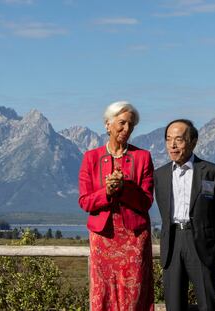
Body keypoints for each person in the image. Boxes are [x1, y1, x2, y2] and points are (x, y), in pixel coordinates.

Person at [78, 101, 154, 311]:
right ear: (108, 125)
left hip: (134, 237)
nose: (126, 129)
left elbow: (146, 201)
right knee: (104, 293)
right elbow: (85, 201)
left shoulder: (143, 157)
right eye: (122, 123)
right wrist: (107, 193)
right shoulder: (91, 158)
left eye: (131, 125)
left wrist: (124, 188)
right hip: (103, 237)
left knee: (134, 296)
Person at [154, 119, 215, 311]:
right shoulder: (159, 175)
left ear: (193, 142)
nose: (173, 145)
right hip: (172, 242)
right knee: (174, 304)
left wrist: (213, 241)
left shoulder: (211, 171)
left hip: (202, 243)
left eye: (179, 139)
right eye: (168, 139)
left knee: (207, 303)